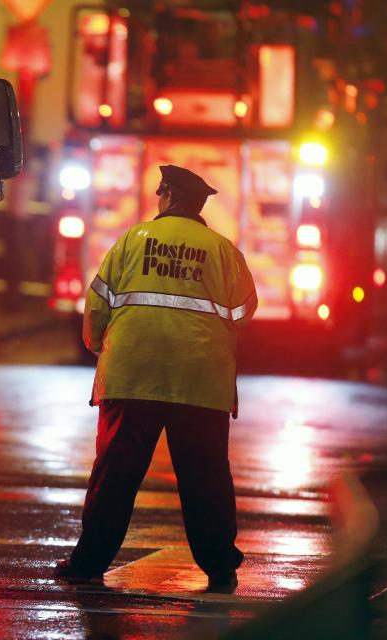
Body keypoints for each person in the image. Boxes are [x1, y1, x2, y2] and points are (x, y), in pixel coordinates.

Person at [54, 165, 257, 592]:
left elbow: (97, 306)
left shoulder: (131, 240)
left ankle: (89, 563)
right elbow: (243, 312)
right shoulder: (222, 250)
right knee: (205, 479)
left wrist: (98, 345)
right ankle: (219, 565)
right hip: (199, 382)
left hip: (133, 375)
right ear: (199, 206)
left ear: (166, 196)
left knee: (115, 475)